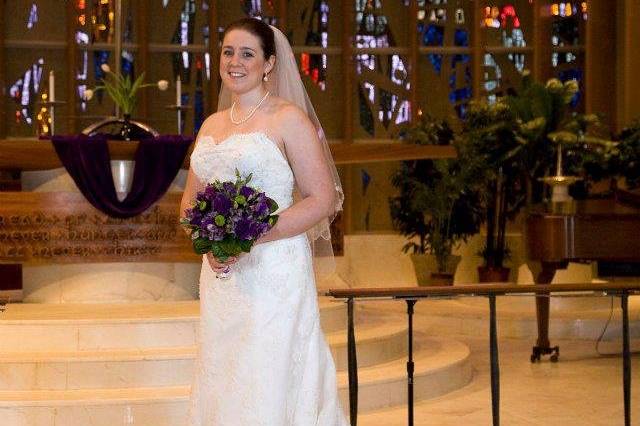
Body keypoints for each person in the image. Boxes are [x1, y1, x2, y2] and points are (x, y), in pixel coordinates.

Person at [181, 17, 348, 425]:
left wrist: (248, 237)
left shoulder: (288, 118)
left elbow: (322, 199)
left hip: (274, 268)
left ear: (269, 63)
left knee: (267, 370)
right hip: (221, 277)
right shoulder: (211, 124)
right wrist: (209, 243)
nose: (234, 62)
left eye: (247, 53)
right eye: (227, 52)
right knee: (224, 370)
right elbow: (189, 206)